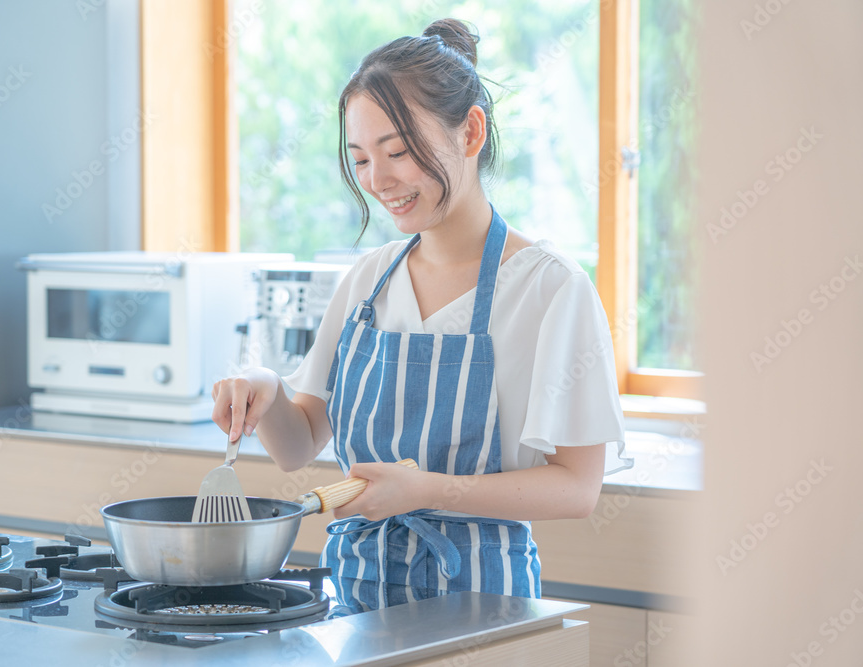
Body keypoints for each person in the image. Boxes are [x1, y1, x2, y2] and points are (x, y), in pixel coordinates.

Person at [212, 18, 631, 602]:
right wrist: (265, 389)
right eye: (360, 159)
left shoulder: (550, 290)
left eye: (399, 151)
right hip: (358, 600)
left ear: (471, 132)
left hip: (485, 606)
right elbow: (298, 444)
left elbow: (578, 490)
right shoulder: (368, 280)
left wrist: (427, 491)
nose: (378, 181)